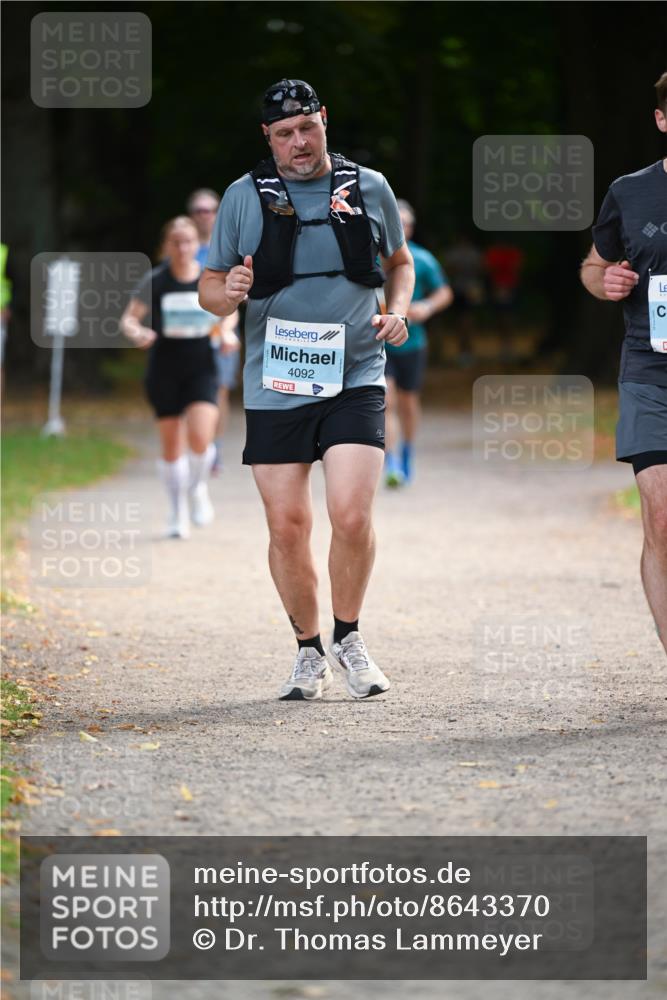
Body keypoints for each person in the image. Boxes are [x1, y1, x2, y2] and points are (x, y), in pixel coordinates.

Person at [199, 79, 414, 700]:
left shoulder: (369, 186)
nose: (299, 143)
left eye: (307, 128)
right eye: (285, 134)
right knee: (288, 525)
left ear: (325, 120)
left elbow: (398, 264)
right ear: (268, 138)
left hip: (355, 373)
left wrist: (398, 310)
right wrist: (228, 292)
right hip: (277, 379)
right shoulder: (244, 197)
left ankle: (349, 636)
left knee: (350, 513)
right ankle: (308, 650)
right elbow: (209, 289)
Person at [580, 71, 667, 656]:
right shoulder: (630, 191)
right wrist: (605, 280)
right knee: (662, 517)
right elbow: (593, 267)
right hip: (651, 371)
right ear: (662, 119)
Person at [121, 216, 227, 538]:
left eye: (188, 241)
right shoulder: (156, 280)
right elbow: (128, 319)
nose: (182, 248)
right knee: (171, 447)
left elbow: (228, 312)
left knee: (200, 438)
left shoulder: (208, 280)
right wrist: (137, 331)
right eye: (176, 242)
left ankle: (197, 489)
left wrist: (228, 333)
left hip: (201, 369)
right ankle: (176, 510)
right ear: (167, 246)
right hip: (164, 370)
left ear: (198, 245)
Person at [384, 200, 452, 486]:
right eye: (398, 223)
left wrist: (426, 307)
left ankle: (408, 450)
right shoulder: (373, 256)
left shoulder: (422, 259)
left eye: (408, 224)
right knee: (385, 401)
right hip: (379, 344)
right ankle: (391, 463)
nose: (404, 229)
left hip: (413, 343)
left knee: (408, 402)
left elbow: (444, 292)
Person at [443, 232, 485, 367]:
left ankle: (467, 352)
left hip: (469, 291)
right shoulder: (464, 253)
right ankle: (464, 352)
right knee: (462, 322)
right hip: (458, 290)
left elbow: (481, 270)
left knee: (466, 322)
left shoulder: (472, 253)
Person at [483, 242, 524, 362]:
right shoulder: (494, 252)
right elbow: (488, 268)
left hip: (510, 288)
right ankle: (504, 348)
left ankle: (509, 347)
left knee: (508, 319)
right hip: (497, 288)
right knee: (501, 319)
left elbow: (517, 268)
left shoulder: (513, 251)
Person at [187, 188, 221, 268]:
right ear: (191, 215)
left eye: (207, 211)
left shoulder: (229, 248)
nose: (203, 216)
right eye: (199, 211)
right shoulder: (181, 247)